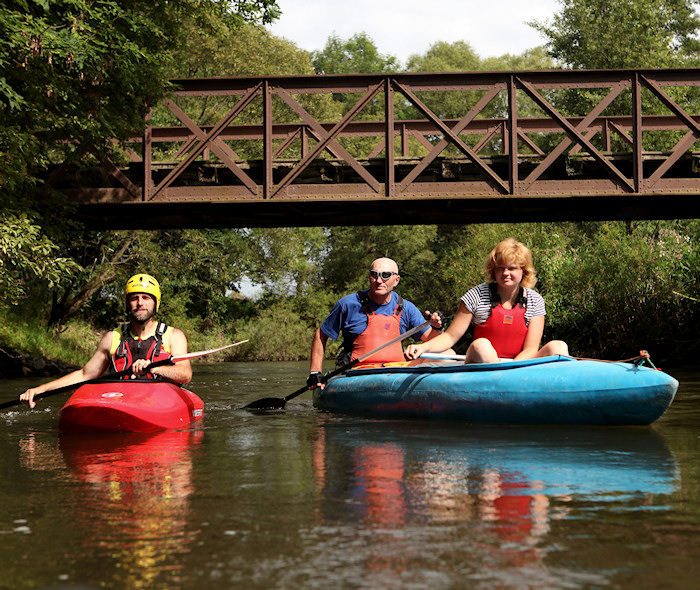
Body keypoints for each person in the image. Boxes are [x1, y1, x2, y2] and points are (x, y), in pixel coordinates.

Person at [20, 273, 192, 408]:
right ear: (127, 303)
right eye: (134, 298)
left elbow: (185, 374)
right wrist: (41, 389)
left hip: (160, 401)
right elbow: (85, 375)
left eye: (146, 298)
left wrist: (155, 367)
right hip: (122, 401)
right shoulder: (112, 338)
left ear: (156, 303)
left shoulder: (174, 336)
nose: (140, 303)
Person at [406, 238, 569, 364]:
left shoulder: (535, 300)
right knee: (481, 345)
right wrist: (423, 347)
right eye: (501, 268)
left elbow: (531, 348)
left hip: (519, 366)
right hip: (482, 365)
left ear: (523, 271)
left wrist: (510, 371)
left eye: (512, 268)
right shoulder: (475, 295)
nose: (506, 273)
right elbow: (450, 337)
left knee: (559, 347)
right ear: (494, 270)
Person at [308, 257, 447, 387]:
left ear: (396, 280)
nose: (379, 280)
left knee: (448, 354)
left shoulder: (407, 308)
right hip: (358, 373)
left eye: (385, 275)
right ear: (369, 277)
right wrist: (315, 372)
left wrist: (438, 328)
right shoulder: (348, 304)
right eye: (374, 275)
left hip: (397, 371)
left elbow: (431, 338)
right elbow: (321, 335)